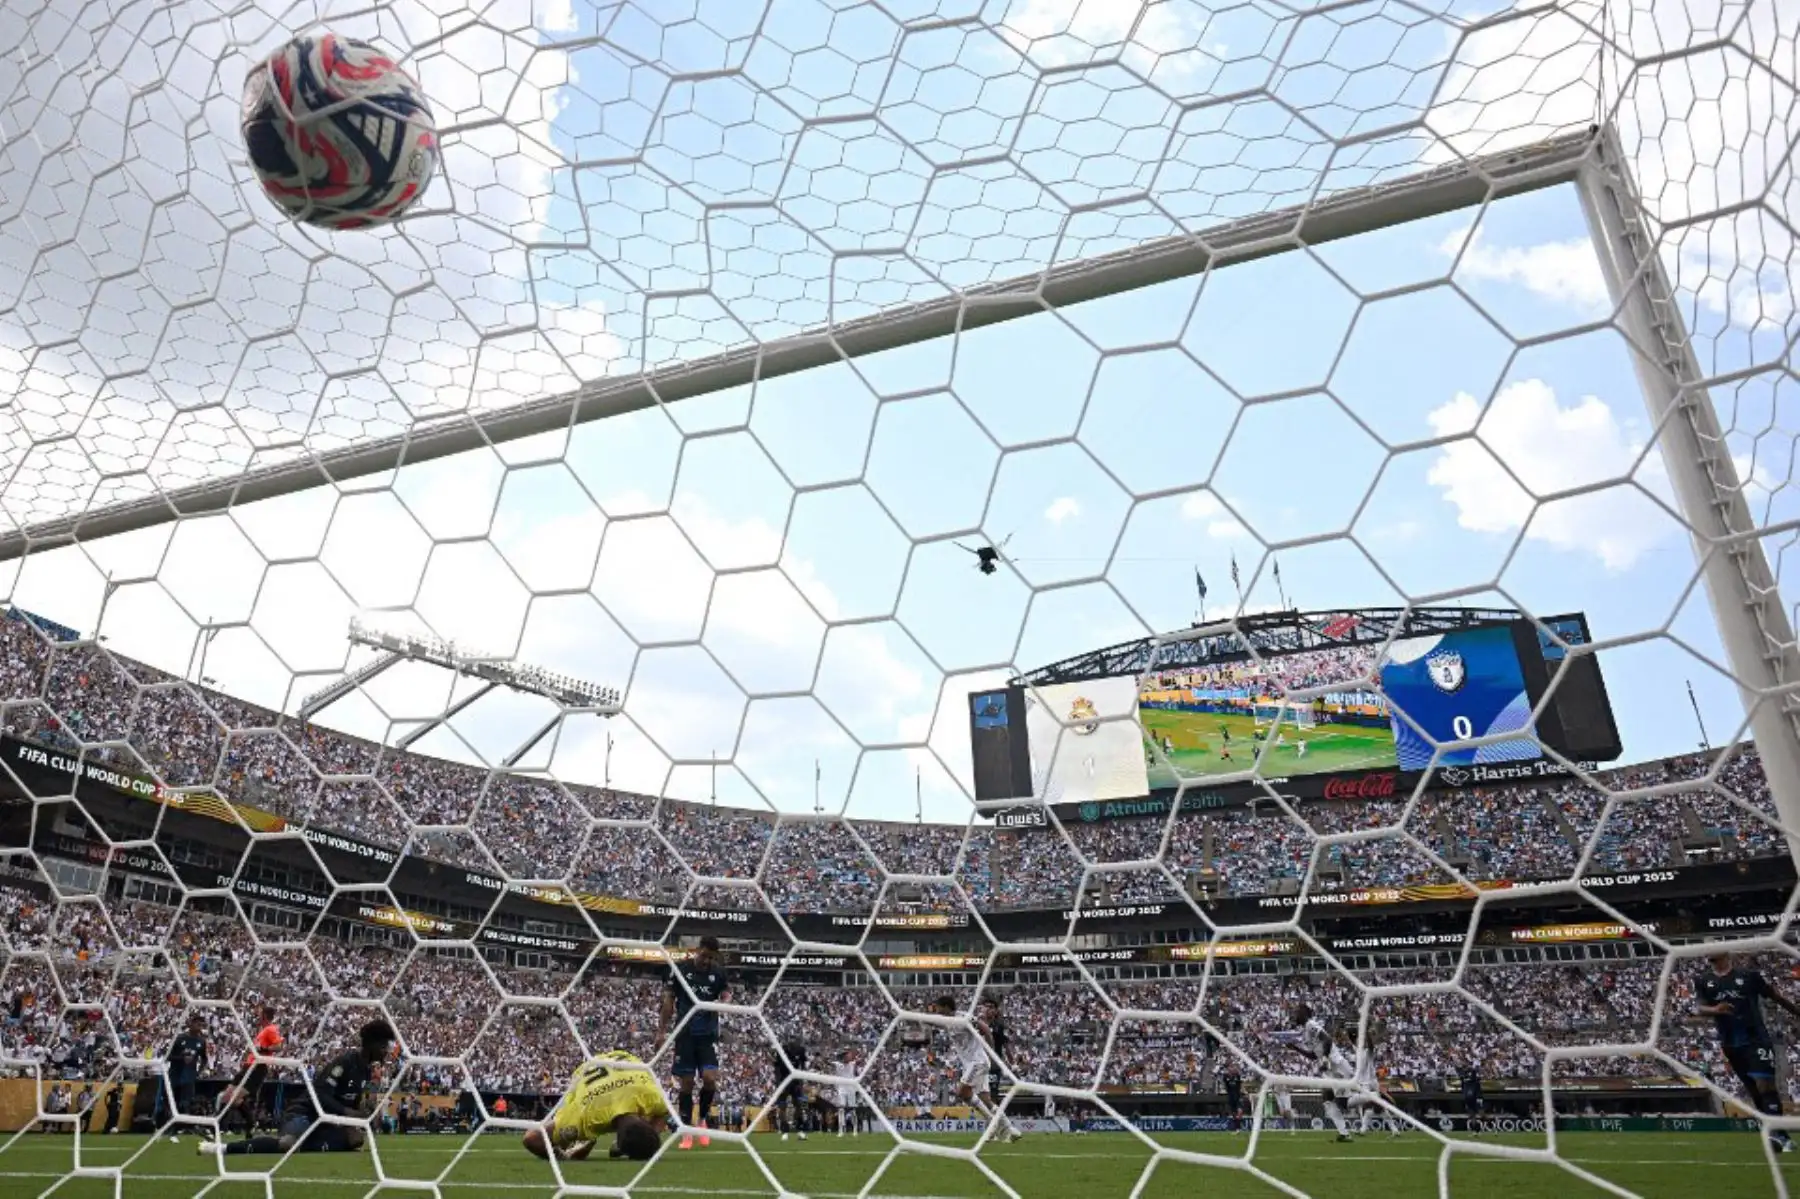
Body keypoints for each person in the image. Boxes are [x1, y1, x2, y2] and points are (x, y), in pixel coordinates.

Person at [199, 1019, 396, 1157]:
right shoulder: (344, 1063)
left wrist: (355, 1122)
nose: (386, 1052)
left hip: (326, 1123)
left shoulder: (365, 1071)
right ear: (372, 1045)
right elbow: (320, 1095)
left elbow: (350, 1105)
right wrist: (347, 1113)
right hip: (304, 1114)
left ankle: (293, 1142)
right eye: (384, 1046)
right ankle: (222, 1148)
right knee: (287, 1144)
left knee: (354, 1141)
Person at [1697, 950, 1800, 1154]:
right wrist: (1716, 1009)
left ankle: (1776, 1134)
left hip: (1756, 1038)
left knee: (1765, 1085)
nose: (1713, 961)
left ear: (1726, 955)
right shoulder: (1703, 981)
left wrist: (1796, 1012)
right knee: (1754, 1090)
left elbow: (1774, 996)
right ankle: (1780, 1135)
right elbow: (1700, 1008)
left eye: (1716, 958)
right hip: (1730, 1044)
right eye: (1710, 959)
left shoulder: (1749, 976)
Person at [521, 1051, 666, 1163]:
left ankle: (582, 1141)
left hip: (622, 1060)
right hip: (585, 1074)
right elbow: (531, 1139)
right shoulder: (586, 1117)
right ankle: (577, 1142)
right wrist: (565, 1156)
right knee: (566, 1137)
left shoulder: (651, 1096)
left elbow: (664, 1113)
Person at [659, 937, 730, 1150]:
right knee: (687, 1082)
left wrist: (725, 1000)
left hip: (707, 1035)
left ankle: (702, 1121)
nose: (706, 961)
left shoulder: (718, 973)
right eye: (704, 955)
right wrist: (661, 1031)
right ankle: (686, 1129)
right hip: (685, 1033)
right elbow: (669, 1001)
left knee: (710, 1079)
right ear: (697, 950)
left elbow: (726, 993)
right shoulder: (680, 969)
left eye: (711, 958)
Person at [1266, 1004, 1362, 1142]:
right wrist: (1295, 1048)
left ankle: (1370, 1097)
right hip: (1329, 1069)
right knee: (1327, 1100)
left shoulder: (1311, 1025)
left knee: (1343, 1103)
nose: (1295, 1015)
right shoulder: (1306, 1032)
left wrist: (1325, 1059)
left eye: (1297, 1012)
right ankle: (1344, 1133)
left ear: (1304, 1013)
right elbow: (1313, 1055)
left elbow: (1327, 1039)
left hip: (1337, 1065)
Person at [930, 996, 1019, 1144]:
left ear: (945, 1006)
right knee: (985, 1100)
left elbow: (985, 1029)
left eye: (938, 1007)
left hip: (978, 1062)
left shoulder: (963, 1017)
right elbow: (931, 1021)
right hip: (972, 1064)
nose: (936, 1010)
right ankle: (1009, 1128)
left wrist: (991, 1052)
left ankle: (992, 1121)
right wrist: (909, 1015)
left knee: (961, 1092)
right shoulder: (947, 1022)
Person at [215, 1005, 281, 1136]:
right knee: (226, 1096)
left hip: (258, 1067)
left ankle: (217, 1127)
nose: (257, 1015)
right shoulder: (263, 1030)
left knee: (232, 1098)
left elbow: (278, 1046)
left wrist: (262, 1049)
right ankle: (249, 1123)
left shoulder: (271, 1029)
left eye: (260, 1013)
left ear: (264, 1015)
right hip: (248, 1066)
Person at [165, 1015, 209, 1135]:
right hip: (175, 1075)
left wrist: (199, 1071)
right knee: (173, 1101)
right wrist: (181, 1058)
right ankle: (170, 1127)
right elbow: (168, 1056)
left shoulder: (201, 1041)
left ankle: (184, 1127)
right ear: (191, 1024)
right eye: (197, 1024)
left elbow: (204, 1058)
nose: (199, 1027)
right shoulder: (180, 1038)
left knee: (187, 1102)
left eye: (201, 1025)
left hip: (189, 1077)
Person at [772, 1040, 808, 1141]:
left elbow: (803, 1066)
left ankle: (800, 1130)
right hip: (784, 1080)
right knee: (782, 1106)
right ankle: (785, 1131)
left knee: (799, 1105)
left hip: (795, 1080)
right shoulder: (781, 1051)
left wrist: (801, 1081)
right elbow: (777, 1068)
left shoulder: (801, 1050)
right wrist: (778, 1083)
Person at [1219, 1058, 1243, 1134]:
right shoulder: (1225, 1077)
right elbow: (1225, 1084)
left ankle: (1238, 1126)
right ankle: (1237, 1128)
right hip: (1231, 1097)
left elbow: (1240, 1083)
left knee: (1239, 1112)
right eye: (1230, 1067)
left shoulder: (1237, 1076)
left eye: (1232, 1067)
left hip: (1238, 1096)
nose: (1232, 1069)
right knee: (1234, 1114)